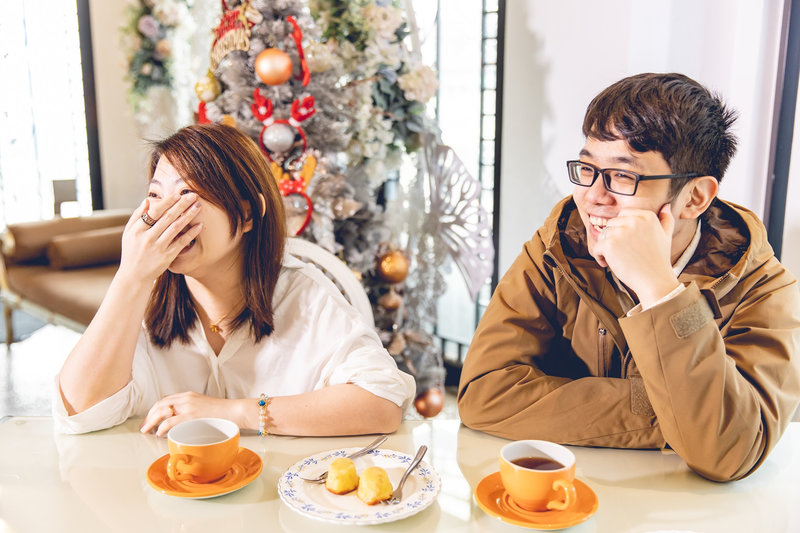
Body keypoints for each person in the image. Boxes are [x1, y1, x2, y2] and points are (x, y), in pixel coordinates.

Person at [457, 73, 800, 482]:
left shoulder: (762, 288)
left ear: (694, 198)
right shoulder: (558, 246)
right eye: (587, 168)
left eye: (623, 176)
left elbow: (731, 452)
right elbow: (483, 394)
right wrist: (675, 413)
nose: (593, 197)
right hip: (572, 490)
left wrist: (661, 291)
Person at [55, 123, 415, 436]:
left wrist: (233, 412)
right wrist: (129, 278)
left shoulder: (303, 294)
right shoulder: (140, 296)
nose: (165, 214)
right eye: (154, 195)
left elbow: (381, 403)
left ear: (245, 215)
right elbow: (78, 411)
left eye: (186, 195)